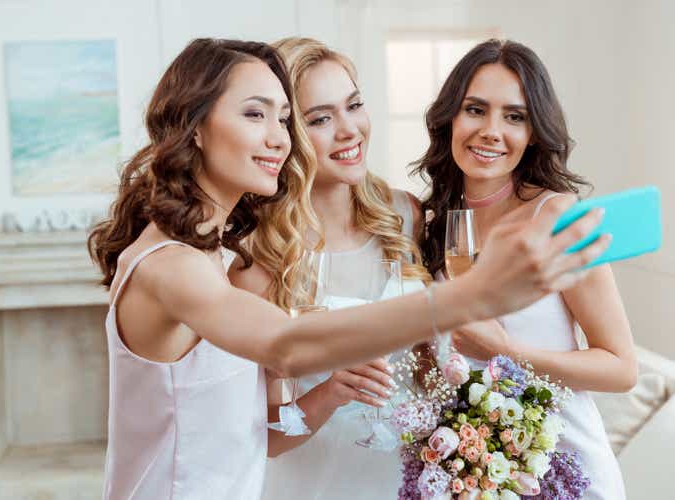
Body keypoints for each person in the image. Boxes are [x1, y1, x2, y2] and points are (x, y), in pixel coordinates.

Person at [87, 38, 608, 500]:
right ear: (195, 129)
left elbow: (246, 424)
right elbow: (281, 369)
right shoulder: (203, 265)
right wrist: (473, 299)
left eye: (282, 119)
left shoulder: (396, 217)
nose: (277, 137)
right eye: (305, 118)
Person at [412, 38, 634, 499]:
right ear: (450, 117)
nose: (492, 131)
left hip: (567, 473)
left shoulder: (557, 219)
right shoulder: (435, 226)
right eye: (475, 109)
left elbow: (621, 367)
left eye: (514, 116)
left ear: (533, 133)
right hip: (474, 477)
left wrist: (508, 351)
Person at [229, 37, 429, 500]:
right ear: (286, 134)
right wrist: (332, 392)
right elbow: (269, 439)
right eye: (320, 119)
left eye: (353, 106)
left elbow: (426, 363)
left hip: (413, 481)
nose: (349, 130)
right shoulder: (259, 256)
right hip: (320, 486)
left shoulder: (406, 216)